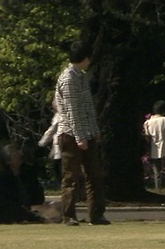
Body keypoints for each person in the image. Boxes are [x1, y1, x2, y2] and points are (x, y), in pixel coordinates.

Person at [54, 40, 109, 226]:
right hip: (71, 133)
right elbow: (72, 111)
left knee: (94, 175)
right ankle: (68, 215)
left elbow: (88, 107)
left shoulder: (82, 77)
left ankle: (96, 214)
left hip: (88, 132)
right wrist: (80, 137)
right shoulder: (68, 79)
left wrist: (94, 131)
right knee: (71, 177)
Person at [0, 144, 45, 224]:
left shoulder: (27, 172)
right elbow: (9, 204)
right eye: (15, 153)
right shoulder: (1, 179)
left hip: (32, 210)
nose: (20, 153)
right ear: (8, 161)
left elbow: (38, 194)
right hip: (15, 215)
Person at [143, 100, 165, 190]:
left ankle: (158, 188)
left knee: (157, 171)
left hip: (153, 149)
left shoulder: (147, 122)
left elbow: (147, 137)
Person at [38, 99, 62, 186]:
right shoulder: (58, 116)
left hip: (60, 147)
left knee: (58, 167)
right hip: (57, 147)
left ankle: (63, 186)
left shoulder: (60, 116)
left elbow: (51, 131)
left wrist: (41, 143)